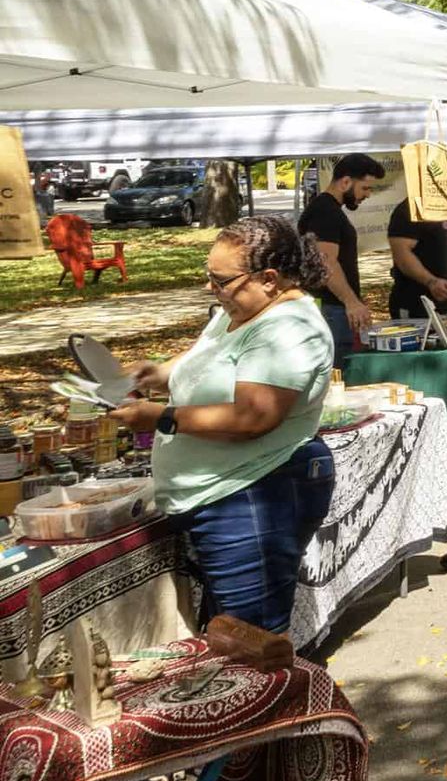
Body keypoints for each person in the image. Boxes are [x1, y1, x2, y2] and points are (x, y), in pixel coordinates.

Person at [110, 217, 335, 632]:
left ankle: (284, 698)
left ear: (269, 279)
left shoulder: (290, 329)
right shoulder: (239, 308)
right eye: (208, 276)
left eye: (220, 280)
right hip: (222, 497)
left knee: (251, 639)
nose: (210, 288)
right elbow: (208, 354)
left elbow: (253, 417)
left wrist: (162, 416)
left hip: (253, 496)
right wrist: (157, 374)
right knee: (228, 634)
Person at [297, 153, 385, 364]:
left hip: (333, 309)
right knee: (339, 375)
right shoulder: (325, 212)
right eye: (365, 188)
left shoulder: (329, 210)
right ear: (345, 182)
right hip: (331, 311)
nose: (368, 195)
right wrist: (351, 302)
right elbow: (325, 260)